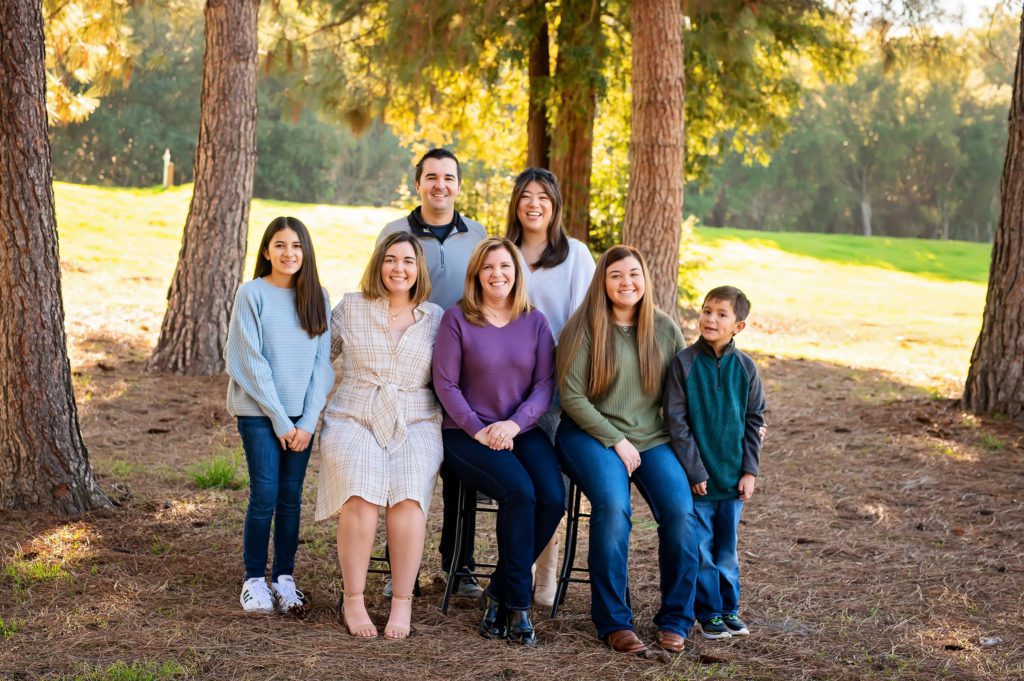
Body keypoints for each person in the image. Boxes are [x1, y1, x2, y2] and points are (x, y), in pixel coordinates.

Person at [555, 245, 695, 655]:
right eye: (616, 275)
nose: (626, 282)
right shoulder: (583, 328)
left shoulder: (664, 329)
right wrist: (616, 439)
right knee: (614, 507)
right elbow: (571, 397)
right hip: (589, 434)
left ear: (645, 279)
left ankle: (676, 619)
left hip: (651, 438)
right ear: (603, 281)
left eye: (634, 274)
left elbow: (684, 395)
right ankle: (614, 621)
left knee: (680, 511)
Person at [432, 237, 564, 646]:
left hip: (520, 430)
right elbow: (446, 384)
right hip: (466, 433)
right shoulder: (457, 319)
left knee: (552, 498)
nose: (497, 274)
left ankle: (498, 590)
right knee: (520, 492)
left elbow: (544, 385)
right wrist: (480, 429)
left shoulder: (534, 321)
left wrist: (513, 425)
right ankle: (518, 606)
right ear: (476, 274)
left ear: (516, 273)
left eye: (505, 266)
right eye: (488, 267)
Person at [314, 232, 445, 640]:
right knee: (361, 493)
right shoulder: (352, 307)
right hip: (355, 413)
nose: (398, 268)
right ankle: (353, 599)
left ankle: (402, 601)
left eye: (408, 261)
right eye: (390, 259)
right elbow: (317, 357)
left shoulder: (436, 318)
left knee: (407, 496)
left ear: (419, 269)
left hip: (417, 417)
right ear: (378, 264)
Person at [379, 148, 487, 598]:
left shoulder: (477, 234)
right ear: (418, 184)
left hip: (464, 365)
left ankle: (458, 567)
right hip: (409, 364)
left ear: (458, 185)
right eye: (431, 177)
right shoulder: (395, 232)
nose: (440, 185)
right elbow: (380, 290)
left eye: (448, 177)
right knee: (402, 465)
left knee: (461, 470)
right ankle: (397, 569)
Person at [225, 216, 333, 616]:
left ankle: (284, 578)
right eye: (281, 245)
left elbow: (323, 364)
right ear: (267, 251)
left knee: (290, 498)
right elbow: (248, 361)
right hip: (258, 413)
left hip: (301, 420)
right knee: (265, 494)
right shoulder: (251, 294)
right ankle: (254, 579)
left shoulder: (317, 297)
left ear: (306, 252)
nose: (289, 253)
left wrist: (307, 421)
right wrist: (280, 420)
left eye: (296, 246)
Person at [504, 167, 595, 607]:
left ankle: (545, 571)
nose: (534, 203)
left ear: (555, 205)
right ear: (515, 204)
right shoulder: (504, 253)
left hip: (559, 384)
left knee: (551, 482)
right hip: (507, 386)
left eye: (543, 196)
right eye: (526, 195)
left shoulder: (575, 255)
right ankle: (515, 568)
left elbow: (585, 321)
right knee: (521, 484)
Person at [663, 285, 766, 640]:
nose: (710, 319)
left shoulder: (746, 368)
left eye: (722, 314)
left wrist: (750, 471)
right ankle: (709, 614)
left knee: (727, 550)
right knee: (702, 549)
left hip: (733, 480)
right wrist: (694, 470)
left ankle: (729, 608)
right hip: (701, 481)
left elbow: (755, 420)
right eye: (707, 311)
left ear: (738, 326)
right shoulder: (684, 363)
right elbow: (676, 422)